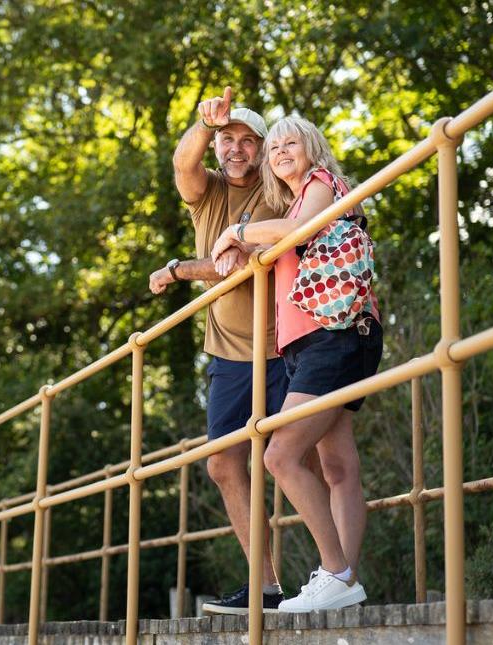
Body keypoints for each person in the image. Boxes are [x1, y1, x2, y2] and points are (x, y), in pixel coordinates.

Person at [210, 115, 382, 612]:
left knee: (280, 455)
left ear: (312, 148)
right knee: (336, 462)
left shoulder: (320, 185)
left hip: (334, 338)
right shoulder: (292, 204)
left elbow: (297, 228)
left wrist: (237, 229)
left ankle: (337, 573)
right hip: (316, 343)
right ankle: (342, 584)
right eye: (276, 145)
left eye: (292, 141)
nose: (282, 149)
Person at [149, 86, 292, 614]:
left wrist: (178, 270)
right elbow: (181, 162)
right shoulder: (205, 191)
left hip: (287, 345)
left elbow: (234, 261)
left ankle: (338, 576)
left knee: (313, 459)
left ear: (262, 147)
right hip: (230, 354)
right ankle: (266, 585)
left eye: (247, 140)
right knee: (224, 464)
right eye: (226, 139)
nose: (236, 148)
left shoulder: (279, 191)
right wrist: (206, 124)